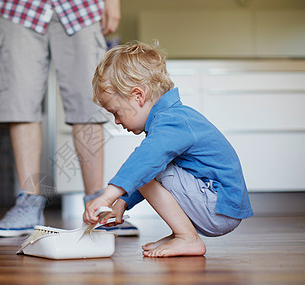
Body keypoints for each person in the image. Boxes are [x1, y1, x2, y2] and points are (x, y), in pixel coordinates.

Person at [83, 41, 253, 257]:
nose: (116, 121)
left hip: (218, 207)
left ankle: (187, 237)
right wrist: (123, 202)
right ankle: (182, 233)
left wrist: (107, 197)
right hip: (218, 204)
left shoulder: (172, 120)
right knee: (150, 167)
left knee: (147, 166)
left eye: (116, 112)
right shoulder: (172, 118)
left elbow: (146, 163)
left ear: (138, 96)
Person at [0, 0, 139, 237]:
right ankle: (28, 205)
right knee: (20, 102)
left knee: (90, 102)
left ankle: (97, 205)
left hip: (81, 7)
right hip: (17, 7)